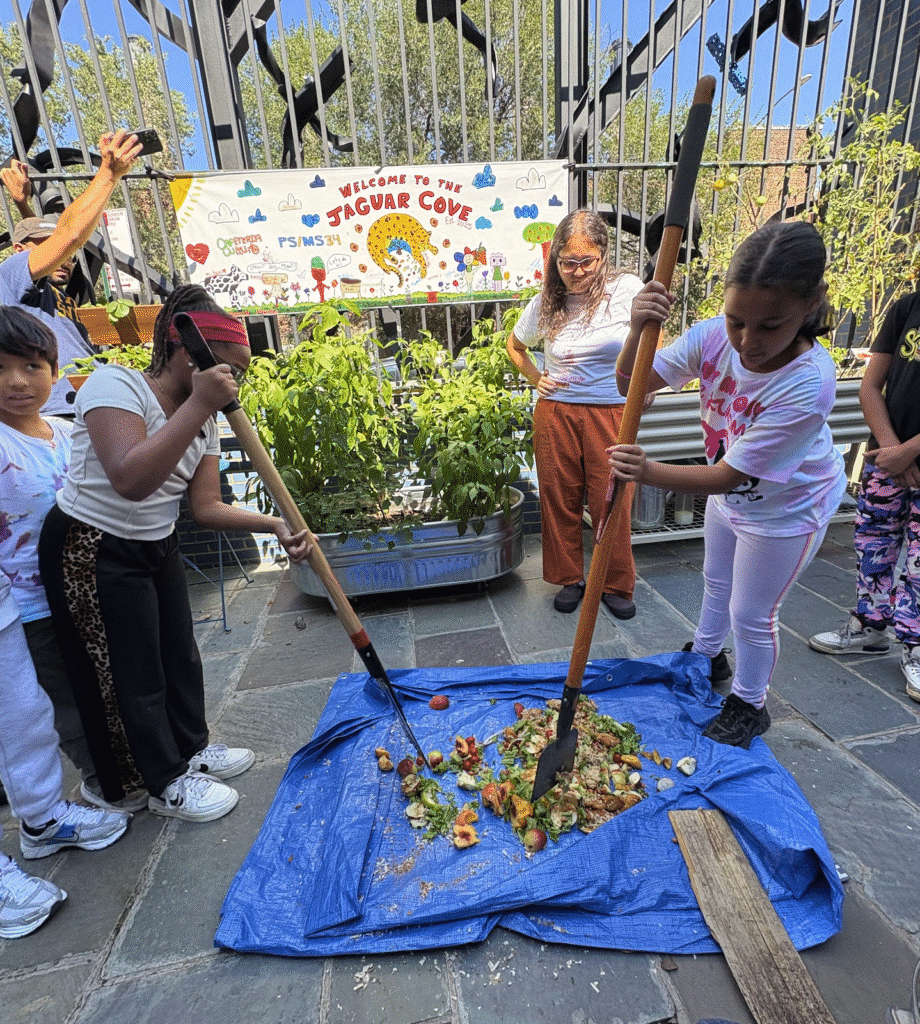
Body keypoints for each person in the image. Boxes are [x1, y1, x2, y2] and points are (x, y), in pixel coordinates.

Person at [38, 285, 311, 823]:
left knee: (179, 656)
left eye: (241, 373)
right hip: (93, 547)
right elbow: (132, 479)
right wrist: (200, 404)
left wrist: (275, 524)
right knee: (132, 671)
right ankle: (163, 783)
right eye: (230, 369)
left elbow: (206, 506)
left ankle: (191, 749)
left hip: (155, 543)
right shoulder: (116, 385)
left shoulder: (204, 419)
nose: (237, 383)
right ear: (190, 355)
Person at [608, 220, 846, 748]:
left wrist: (646, 471)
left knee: (752, 612)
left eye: (770, 326)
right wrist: (636, 329)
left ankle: (749, 702)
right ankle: (707, 655)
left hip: (789, 507)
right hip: (733, 495)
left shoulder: (809, 383)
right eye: (737, 320)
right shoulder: (714, 336)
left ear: (810, 306)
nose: (747, 341)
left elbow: (728, 475)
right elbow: (632, 384)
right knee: (715, 582)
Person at [0, 306, 131, 940]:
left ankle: (49, 817)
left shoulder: (61, 428)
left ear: (53, 370)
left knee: (70, 697)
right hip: (22, 608)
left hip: (75, 590)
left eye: (31, 365)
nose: (17, 381)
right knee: (46, 707)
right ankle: (92, 786)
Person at [506, 208, 644, 618]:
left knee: (612, 500)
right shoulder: (547, 299)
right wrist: (535, 377)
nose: (577, 271)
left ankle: (615, 582)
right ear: (556, 260)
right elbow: (514, 345)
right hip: (556, 413)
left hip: (611, 411)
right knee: (559, 497)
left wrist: (646, 381)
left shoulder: (627, 289)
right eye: (567, 262)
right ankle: (570, 579)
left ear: (603, 254)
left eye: (586, 261)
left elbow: (650, 339)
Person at [808, 287, 920, 700]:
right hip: (887, 459)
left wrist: (908, 451)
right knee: (873, 541)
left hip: (901, 455)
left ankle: (916, 644)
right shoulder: (907, 306)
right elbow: (871, 386)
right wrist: (895, 451)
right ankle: (870, 626)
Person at [0, 132, 142, 416]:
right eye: (53, 251)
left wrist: (22, 203)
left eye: (68, 257)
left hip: (88, 404)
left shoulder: (45, 294)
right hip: (53, 412)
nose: (64, 259)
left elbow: (39, 237)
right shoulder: (10, 273)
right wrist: (108, 174)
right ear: (19, 251)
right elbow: (67, 236)